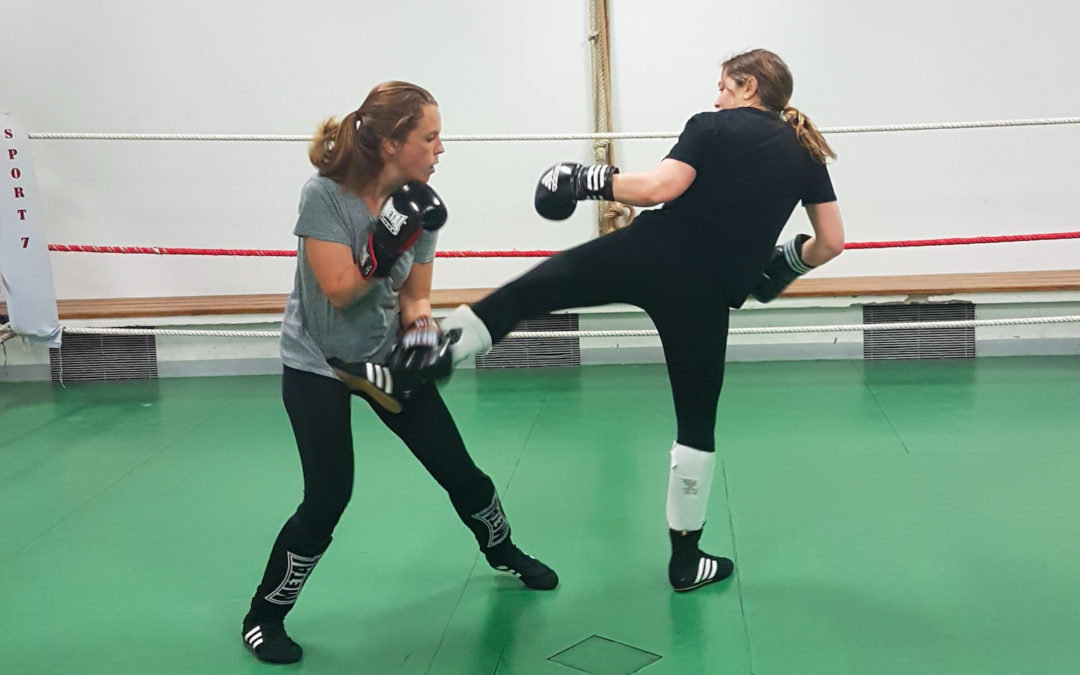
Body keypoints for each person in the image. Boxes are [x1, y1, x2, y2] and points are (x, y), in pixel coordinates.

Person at [359, 49, 846, 593]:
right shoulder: (806, 154)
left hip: (650, 254)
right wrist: (782, 266)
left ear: (749, 85)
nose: (717, 97)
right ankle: (686, 562)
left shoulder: (711, 126)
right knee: (696, 425)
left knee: (529, 292)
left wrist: (586, 179)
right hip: (707, 297)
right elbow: (831, 242)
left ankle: (426, 361)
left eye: (725, 87)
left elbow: (661, 189)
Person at [241, 81, 557, 665]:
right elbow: (338, 293)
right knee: (328, 496)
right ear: (391, 143)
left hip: (381, 358)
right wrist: (383, 247)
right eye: (430, 137)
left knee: (461, 472)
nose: (441, 149)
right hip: (318, 362)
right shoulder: (324, 196)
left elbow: (415, 297)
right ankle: (264, 615)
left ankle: (503, 551)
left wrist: (419, 335)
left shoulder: (423, 202)